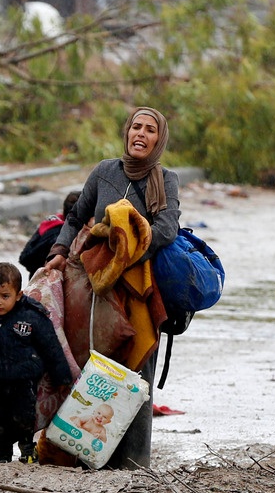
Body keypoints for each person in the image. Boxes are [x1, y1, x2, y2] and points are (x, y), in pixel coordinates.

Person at [44, 106, 181, 469]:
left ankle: (132, 461)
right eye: (136, 126)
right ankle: (81, 452)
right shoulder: (105, 171)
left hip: (139, 287)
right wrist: (59, 251)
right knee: (90, 360)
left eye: (150, 129)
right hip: (95, 286)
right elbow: (76, 216)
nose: (141, 134)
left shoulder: (166, 179)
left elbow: (168, 228)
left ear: (159, 139)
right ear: (127, 132)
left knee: (136, 365)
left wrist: (129, 247)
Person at [0, 262, 73, 463]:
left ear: (18, 295)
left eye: (5, 296)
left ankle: (27, 451)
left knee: (24, 419)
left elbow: (51, 348)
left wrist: (62, 377)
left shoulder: (32, 317)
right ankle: (2, 455)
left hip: (24, 382)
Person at [18, 191, 80, 278]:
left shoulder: (50, 223)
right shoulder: (64, 238)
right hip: (49, 284)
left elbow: (24, 257)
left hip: (35, 282)